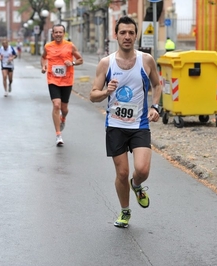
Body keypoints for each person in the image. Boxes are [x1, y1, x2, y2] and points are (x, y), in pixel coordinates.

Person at [90, 16, 161, 228]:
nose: (127, 37)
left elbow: (157, 85)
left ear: (136, 35)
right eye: (123, 33)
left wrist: (155, 107)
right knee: (121, 172)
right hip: (115, 125)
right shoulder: (106, 63)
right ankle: (125, 211)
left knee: (142, 169)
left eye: (131, 33)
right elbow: (93, 95)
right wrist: (106, 91)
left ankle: (137, 185)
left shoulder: (146, 60)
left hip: (139, 124)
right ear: (116, 35)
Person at [41, 24, 83, 146]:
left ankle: (63, 118)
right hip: (53, 80)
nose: (58, 34)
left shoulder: (70, 46)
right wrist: (43, 66)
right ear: (52, 34)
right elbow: (43, 58)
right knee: (56, 105)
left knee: (64, 109)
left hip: (67, 81)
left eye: (60, 32)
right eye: (56, 32)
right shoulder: (48, 47)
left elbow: (81, 59)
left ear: (64, 34)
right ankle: (58, 135)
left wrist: (72, 63)